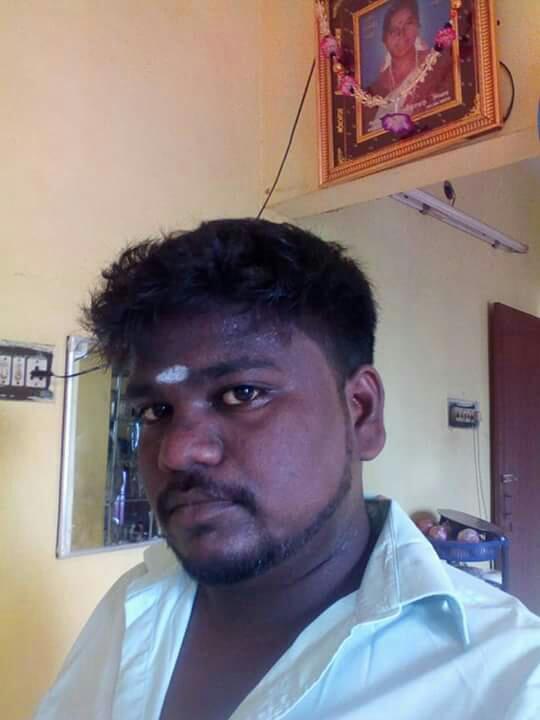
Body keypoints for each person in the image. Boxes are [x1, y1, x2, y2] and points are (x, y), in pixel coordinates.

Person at [34, 219, 540, 720]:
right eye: (154, 412)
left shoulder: (511, 681)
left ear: (361, 412)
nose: (178, 452)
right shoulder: (131, 608)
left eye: (242, 394)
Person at [364, 0, 453, 132]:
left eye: (409, 23)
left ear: (418, 27)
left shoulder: (437, 63)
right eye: (393, 30)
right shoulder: (374, 90)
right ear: (385, 41)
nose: (401, 33)